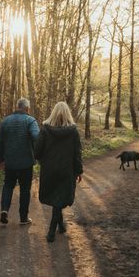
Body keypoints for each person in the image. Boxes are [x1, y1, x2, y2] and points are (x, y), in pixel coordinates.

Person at [34, 102, 83, 242]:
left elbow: (37, 152)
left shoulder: (45, 130)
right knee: (59, 198)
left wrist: (45, 159)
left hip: (49, 171)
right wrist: (79, 170)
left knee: (57, 199)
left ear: (53, 113)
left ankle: (59, 226)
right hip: (66, 171)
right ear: (68, 114)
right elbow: (77, 154)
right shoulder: (73, 131)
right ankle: (52, 231)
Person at [0, 97, 40, 225]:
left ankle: (4, 210)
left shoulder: (5, 121)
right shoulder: (31, 121)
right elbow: (37, 137)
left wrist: (0, 160)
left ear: (17, 107)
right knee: (25, 189)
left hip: (9, 162)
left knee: (8, 185)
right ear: (27, 108)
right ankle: (23, 218)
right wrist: (39, 154)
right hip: (26, 163)